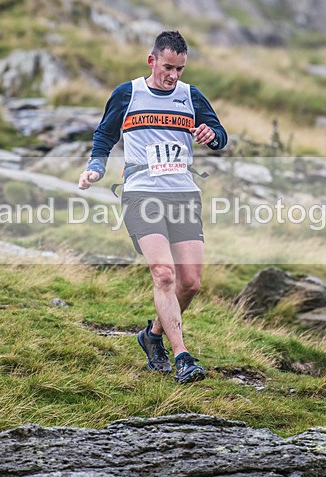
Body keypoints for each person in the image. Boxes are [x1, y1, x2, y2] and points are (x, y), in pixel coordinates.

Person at [78, 31, 227, 383]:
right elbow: (104, 135)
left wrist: (212, 136)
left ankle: (152, 336)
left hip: (183, 193)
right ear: (152, 61)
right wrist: (95, 168)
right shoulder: (128, 93)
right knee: (164, 274)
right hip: (142, 192)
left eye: (180, 69)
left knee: (190, 283)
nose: (173, 75)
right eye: (167, 67)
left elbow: (219, 134)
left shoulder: (191, 96)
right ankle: (183, 357)